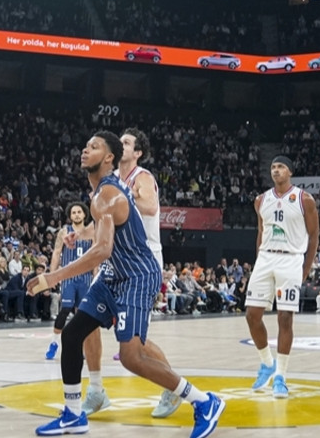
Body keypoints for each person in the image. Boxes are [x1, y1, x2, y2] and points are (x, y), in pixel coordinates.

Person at [26, 132, 224, 438]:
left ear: (108, 158)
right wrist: (80, 235)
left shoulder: (108, 193)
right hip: (113, 274)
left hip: (137, 276)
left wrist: (52, 277)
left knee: (132, 357)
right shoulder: (102, 194)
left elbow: (102, 250)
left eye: (93, 147)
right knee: (73, 332)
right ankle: (74, 414)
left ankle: (204, 402)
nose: (84, 149)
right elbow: (104, 237)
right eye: (86, 144)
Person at [119, 127, 182, 418]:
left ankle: (174, 387)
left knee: (137, 342)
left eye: (127, 143)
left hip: (143, 260)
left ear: (138, 152)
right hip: (122, 259)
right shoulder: (114, 180)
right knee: (92, 318)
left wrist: (127, 199)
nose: (121, 145)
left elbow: (150, 206)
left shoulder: (140, 177)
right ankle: (95, 387)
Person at [245, 156, 319, 399]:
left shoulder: (304, 199)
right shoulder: (261, 200)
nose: (275, 171)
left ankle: (281, 377)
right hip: (266, 257)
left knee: (285, 318)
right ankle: (267, 363)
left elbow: (314, 236)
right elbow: (260, 232)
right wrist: (259, 261)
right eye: (273, 167)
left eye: (280, 167)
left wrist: (305, 269)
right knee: (252, 315)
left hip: (291, 259)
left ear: (290, 172)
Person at [45, 202, 96, 366]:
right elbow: (57, 253)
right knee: (65, 309)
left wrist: (95, 276)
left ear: (84, 214)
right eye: (73, 212)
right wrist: (52, 275)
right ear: (70, 215)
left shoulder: (92, 231)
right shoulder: (64, 231)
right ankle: (54, 343)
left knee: (83, 314)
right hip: (68, 277)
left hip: (85, 277)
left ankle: (80, 346)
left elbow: (96, 255)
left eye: (79, 212)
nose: (76, 215)